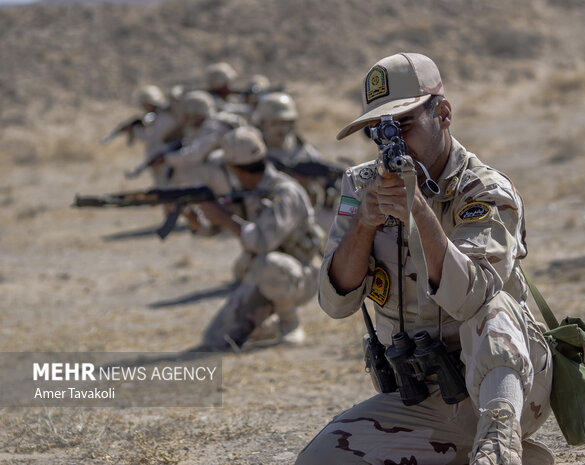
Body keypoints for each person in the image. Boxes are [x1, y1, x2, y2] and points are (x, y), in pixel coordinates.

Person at [296, 53, 554, 465]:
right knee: (320, 460)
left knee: (493, 306)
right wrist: (364, 223)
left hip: (506, 384)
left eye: (405, 125)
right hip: (422, 392)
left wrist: (418, 210)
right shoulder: (361, 185)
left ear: (444, 114)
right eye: (379, 132)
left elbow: (471, 299)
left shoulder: (483, 188)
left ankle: (500, 448)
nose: (391, 143)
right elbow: (336, 303)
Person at [195, 126, 324, 350]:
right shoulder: (247, 190)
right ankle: (267, 325)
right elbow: (220, 227)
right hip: (264, 277)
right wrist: (198, 222)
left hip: (303, 275)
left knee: (267, 263)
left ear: (235, 168)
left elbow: (261, 242)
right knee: (215, 341)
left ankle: (289, 324)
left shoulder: (284, 193)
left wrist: (224, 217)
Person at [253, 92, 340, 209]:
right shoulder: (254, 152)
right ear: (263, 124)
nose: (281, 129)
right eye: (275, 123)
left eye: (285, 123)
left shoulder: (306, 152)